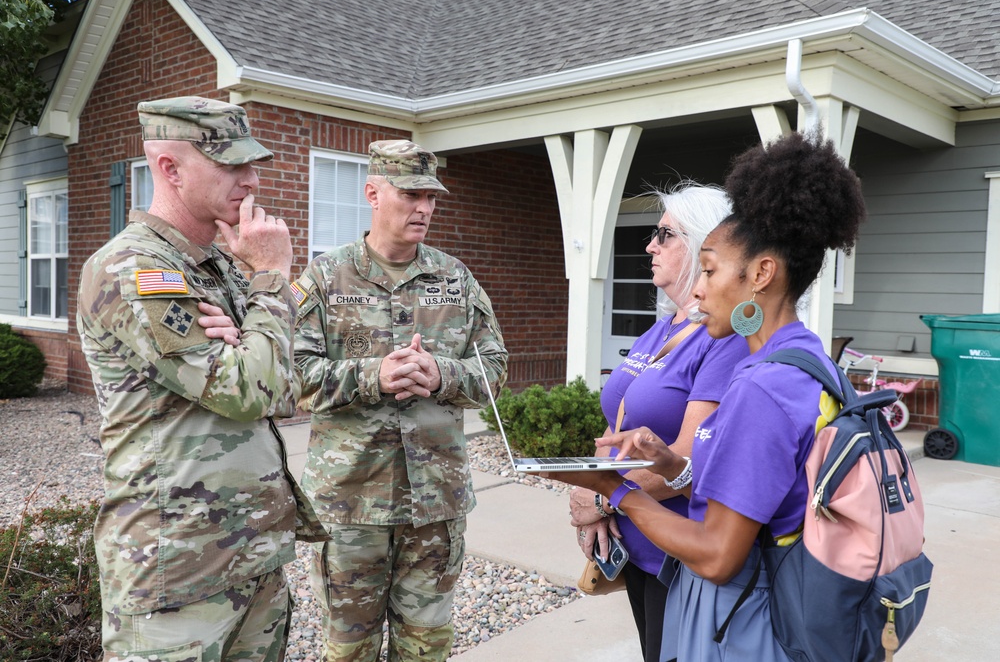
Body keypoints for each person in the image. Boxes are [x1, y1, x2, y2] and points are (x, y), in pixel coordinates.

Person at [541, 131, 866, 661]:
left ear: (761, 274)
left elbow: (717, 554)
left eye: (709, 270)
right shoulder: (802, 357)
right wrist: (674, 465)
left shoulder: (761, 387)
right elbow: (760, 485)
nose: (695, 289)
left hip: (753, 625)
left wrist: (615, 492)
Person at [77, 96, 325, 661]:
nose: (251, 179)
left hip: (251, 556)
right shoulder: (136, 269)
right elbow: (249, 391)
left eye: (252, 163)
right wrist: (271, 279)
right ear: (170, 168)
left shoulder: (218, 267)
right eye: (231, 165)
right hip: (175, 570)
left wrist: (252, 337)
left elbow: (286, 389)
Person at [292, 140, 508, 662]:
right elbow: (291, 377)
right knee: (349, 647)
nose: (425, 208)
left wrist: (441, 375)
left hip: (434, 503)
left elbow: (495, 371)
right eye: (411, 194)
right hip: (351, 504)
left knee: (426, 646)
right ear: (372, 192)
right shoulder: (325, 278)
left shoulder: (455, 279)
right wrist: (374, 376)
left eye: (432, 197)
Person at [569, 184, 748, 662]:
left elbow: (689, 455)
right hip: (639, 543)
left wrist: (605, 498)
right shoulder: (660, 329)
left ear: (701, 244)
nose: (650, 245)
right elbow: (619, 426)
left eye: (664, 234)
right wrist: (593, 492)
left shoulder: (723, 337)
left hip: (682, 552)